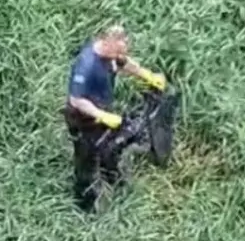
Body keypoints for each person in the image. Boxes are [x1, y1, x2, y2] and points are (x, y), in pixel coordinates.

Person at [64, 24, 168, 212]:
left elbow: (123, 63)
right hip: (83, 119)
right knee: (86, 159)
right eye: (118, 49)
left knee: (110, 145)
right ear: (106, 42)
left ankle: (111, 175)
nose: (119, 55)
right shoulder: (86, 64)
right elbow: (76, 99)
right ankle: (83, 205)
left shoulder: (110, 54)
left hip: (103, 110)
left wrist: (147, 75)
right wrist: (101, 115)